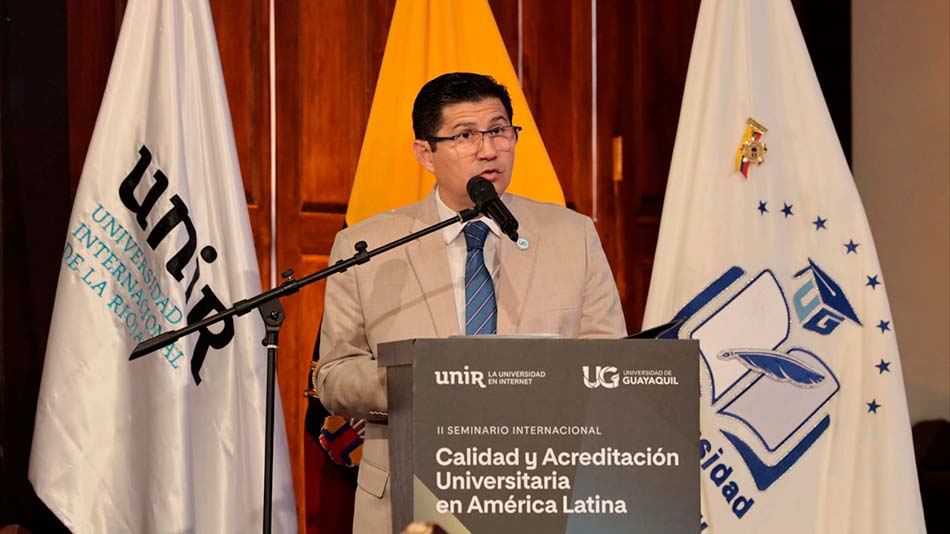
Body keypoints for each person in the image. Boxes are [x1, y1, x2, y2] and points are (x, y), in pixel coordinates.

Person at [315, 72, 626, 533]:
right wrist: (422, 379)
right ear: (426, 153)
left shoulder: (572, 235)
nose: (488, 149)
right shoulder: (365, 246)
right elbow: (334, 374)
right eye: (465, 135)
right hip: (411, 490)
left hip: (541, 487)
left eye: (499, 130)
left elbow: (608, 359)